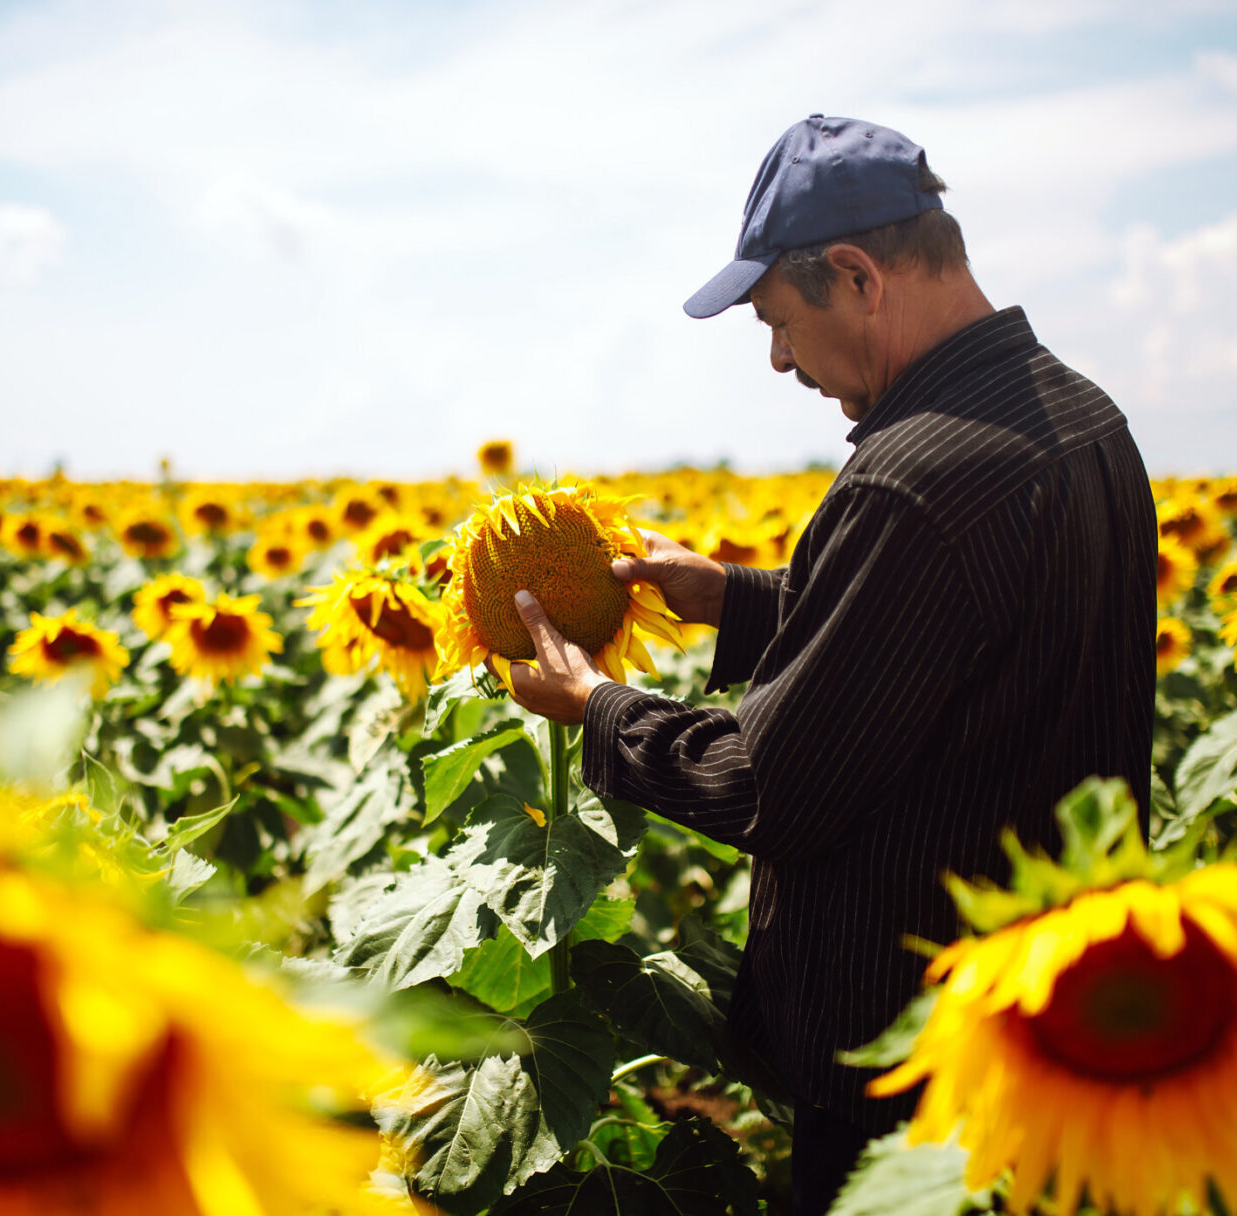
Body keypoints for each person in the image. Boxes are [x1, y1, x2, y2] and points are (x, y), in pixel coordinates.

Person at [497, 115, 1157, 1215]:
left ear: (855, 277)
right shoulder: (1085, 422)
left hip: (910, 1068)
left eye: (779, 321)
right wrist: (731, 600)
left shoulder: (910, 478)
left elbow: (773, 783)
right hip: (1047, 1024)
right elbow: (949, 641)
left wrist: (598, 707)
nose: (779, 360)